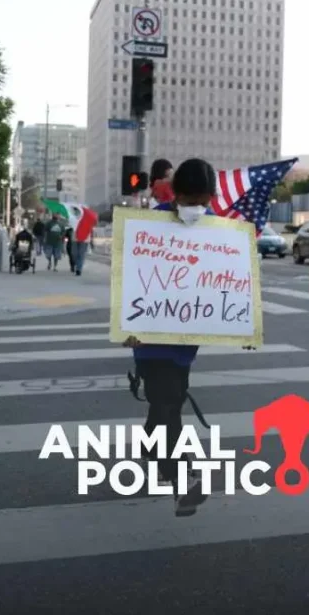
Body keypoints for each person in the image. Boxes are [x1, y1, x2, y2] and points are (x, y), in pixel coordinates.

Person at [123, 158, 218, 517]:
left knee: (169, 402)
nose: (196, 207)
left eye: (202, 200)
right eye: (190, 199)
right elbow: (129, 278)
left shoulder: (217, 232)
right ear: (175, 194)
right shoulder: (149, 227)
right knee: (168, 407)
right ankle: (182, 482)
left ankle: (151, 447)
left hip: (184, 343)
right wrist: (126, 327)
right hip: (150, 339)